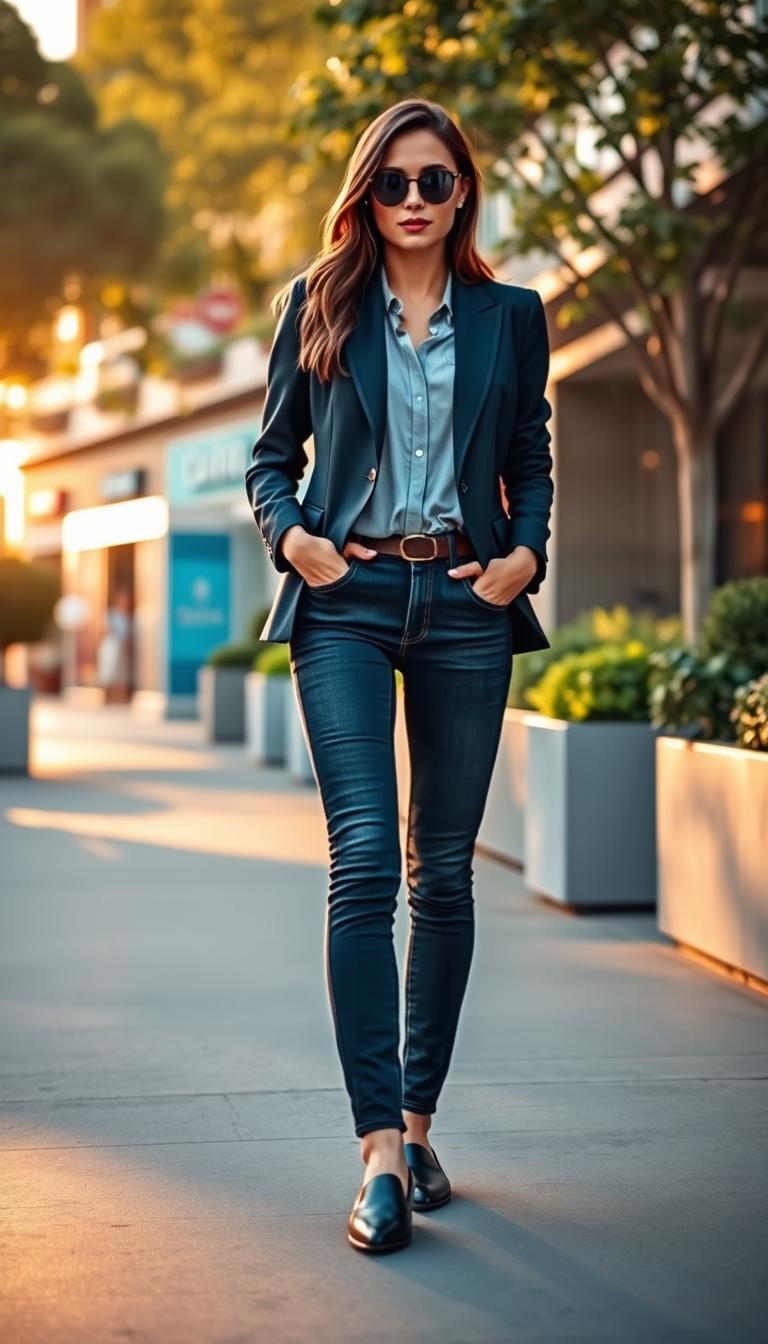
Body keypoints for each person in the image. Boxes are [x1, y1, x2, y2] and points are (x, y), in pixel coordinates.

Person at [245, 96, 553, 1254]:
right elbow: (271, 458)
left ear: (463, 191)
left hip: (470, 602)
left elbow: (531, 451)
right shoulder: (317, 303)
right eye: (393, 183)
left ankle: (421, 1123)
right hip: (348, 602)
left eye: (434, 182)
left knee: (446, 877)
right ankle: (377, 1150)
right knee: (365, 855)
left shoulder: (514, 316)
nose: (414, 201)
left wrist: (528, 555)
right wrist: (296, 541)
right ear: (365, 193)